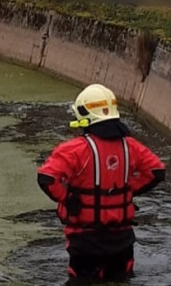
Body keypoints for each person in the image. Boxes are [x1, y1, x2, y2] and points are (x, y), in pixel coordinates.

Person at [37, 84, 166, 285]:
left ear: (84, 114)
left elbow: (46, 178)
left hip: (85, 240)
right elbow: (156, 172)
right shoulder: (131, 146)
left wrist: (68, 199)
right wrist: (126, 192)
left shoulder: (73, 150)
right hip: (121, 238)